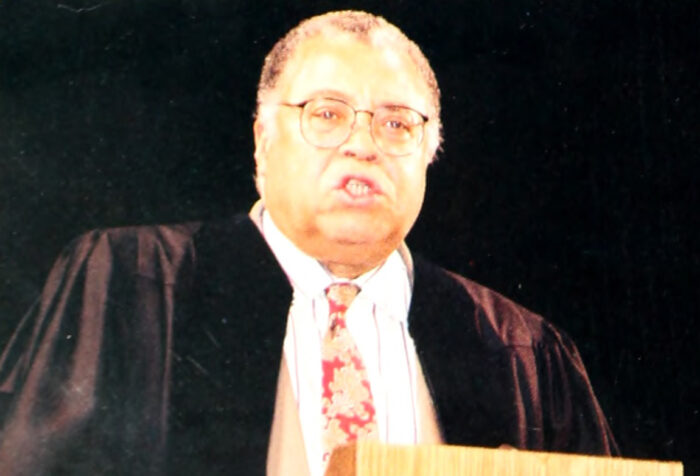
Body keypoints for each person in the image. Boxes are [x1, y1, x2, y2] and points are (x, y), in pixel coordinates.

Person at [0, 10, 617, 476]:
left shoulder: (521, 354)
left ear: (430, 156)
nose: (362, 143)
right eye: (327, 113)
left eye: (397, 122)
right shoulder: (132, 286)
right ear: (263, 141)